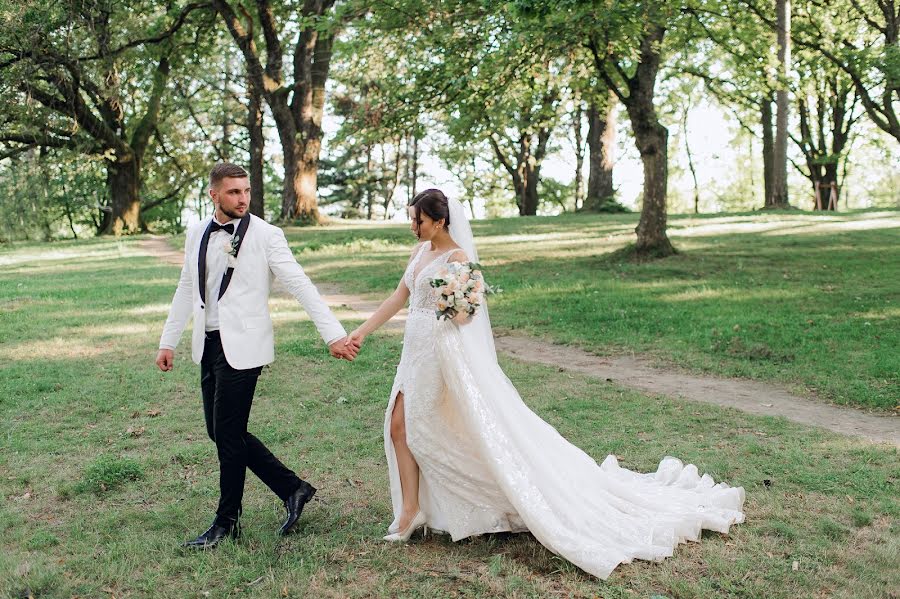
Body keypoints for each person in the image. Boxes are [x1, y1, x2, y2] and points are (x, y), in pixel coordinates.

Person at [345, 188, 745, 579]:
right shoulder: (419, 253)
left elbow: (465, 318)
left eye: (419, 220)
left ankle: (447, 504)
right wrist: (361, 332)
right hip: (411, 353)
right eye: (412, 220)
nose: (413, 227)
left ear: (440, 221)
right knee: (398, 427)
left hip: (438, 355)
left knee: (421, 430)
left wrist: (456, 302)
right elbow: (399, 298)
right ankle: (411, 511)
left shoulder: (458, 259)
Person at [155, 162, 360, 549]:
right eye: (233, 192)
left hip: (245, 348)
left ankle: (226, 521)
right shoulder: (197, 232)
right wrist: (169, 341)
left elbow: (300, 284)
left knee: (228, 434)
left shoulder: (267, 235)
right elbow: (186, 288)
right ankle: (292, 488)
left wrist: (333, 334)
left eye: (245, 191)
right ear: (213, 194)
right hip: (208, 343)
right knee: (219, 431)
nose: (242, 198)